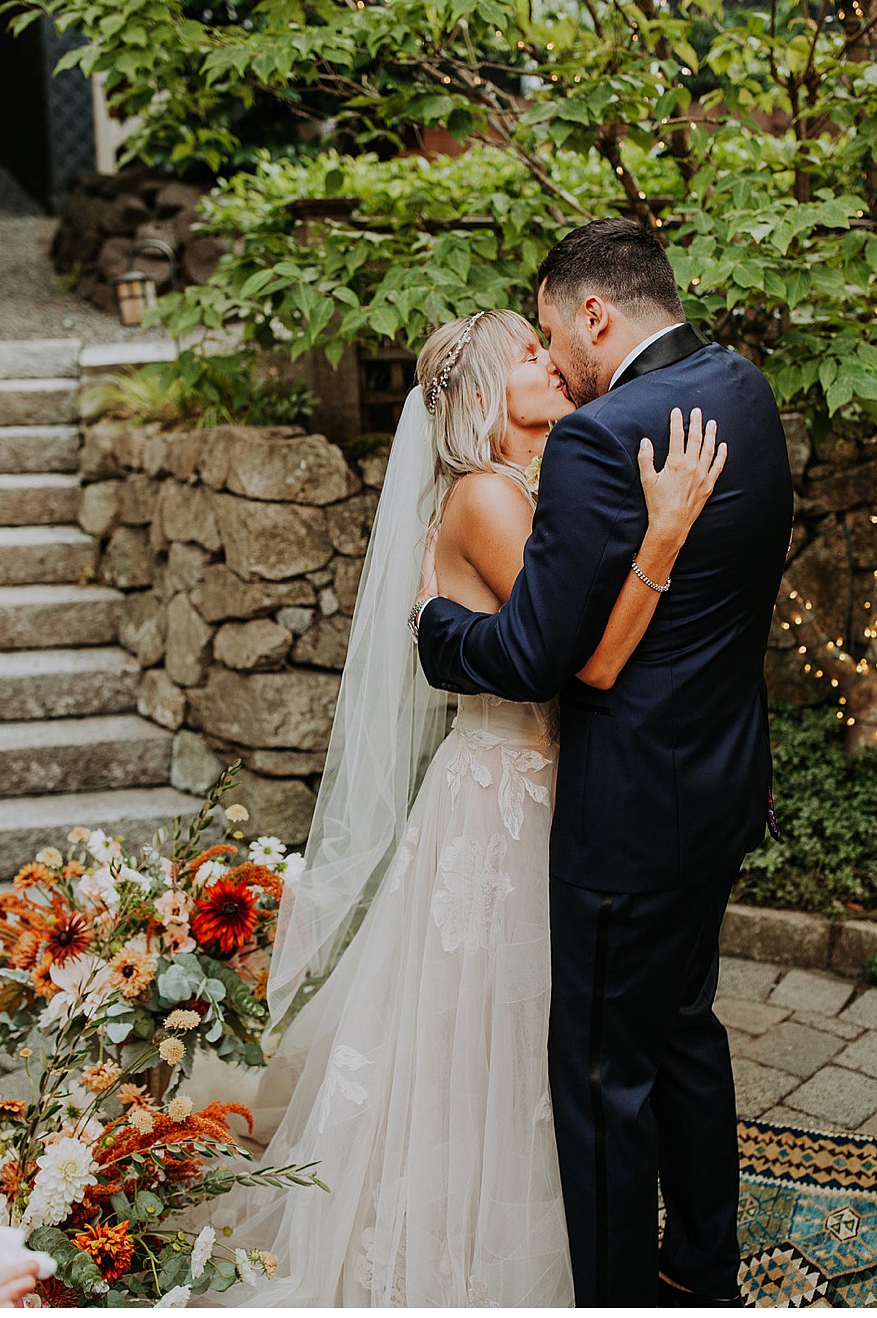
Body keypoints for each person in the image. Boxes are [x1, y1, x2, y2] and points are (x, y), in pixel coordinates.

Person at [213, 306, 725, 1307]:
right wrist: (663, 532)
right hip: (502, 797)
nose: (553, 362)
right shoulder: (488, 498)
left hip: (543, 787)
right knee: (506, 1027)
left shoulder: (529, 486)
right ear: (488, 394)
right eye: (531, 355)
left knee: (546, 1027)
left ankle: (574, 1224)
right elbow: (584, 658)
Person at [415, 220, 794, 1308]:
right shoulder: (742, 392)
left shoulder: (597, 440)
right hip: (720, 789)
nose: (552, 358)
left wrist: (437, 637)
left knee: (599, 1080)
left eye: (548, 330)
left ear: (593, 313)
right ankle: (702, 1271)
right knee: (682, 1031)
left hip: (625, 820)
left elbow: (540, 658)